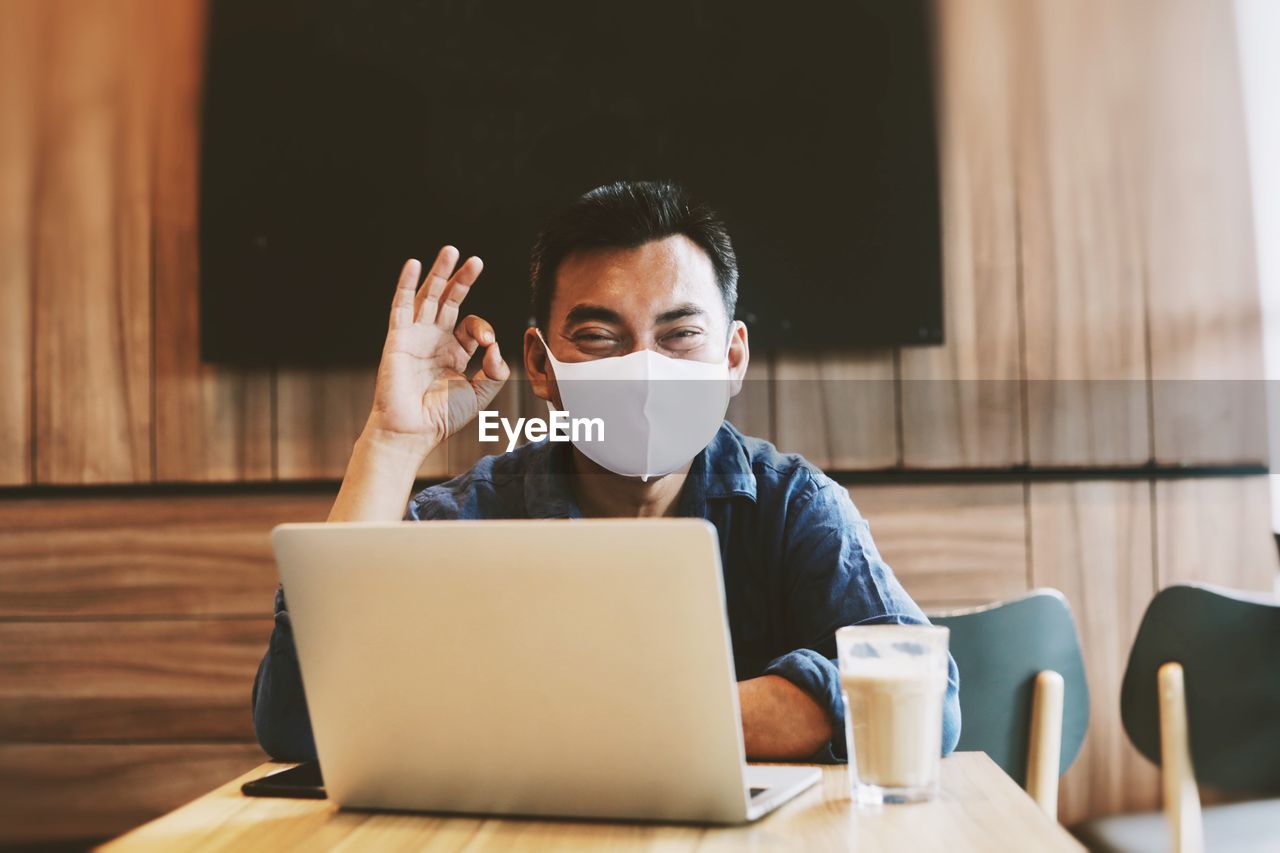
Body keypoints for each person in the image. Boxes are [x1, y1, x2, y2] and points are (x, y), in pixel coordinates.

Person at [252, 180, 961, 763]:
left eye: (680, 335)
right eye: (598, 337)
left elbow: (925, 697)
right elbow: (300, 715)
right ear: (540, 365)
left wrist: (603, 716)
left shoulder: (791, 505)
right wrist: (393, 441)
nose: (645, 370)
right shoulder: (474, 516)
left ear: (733, 357)